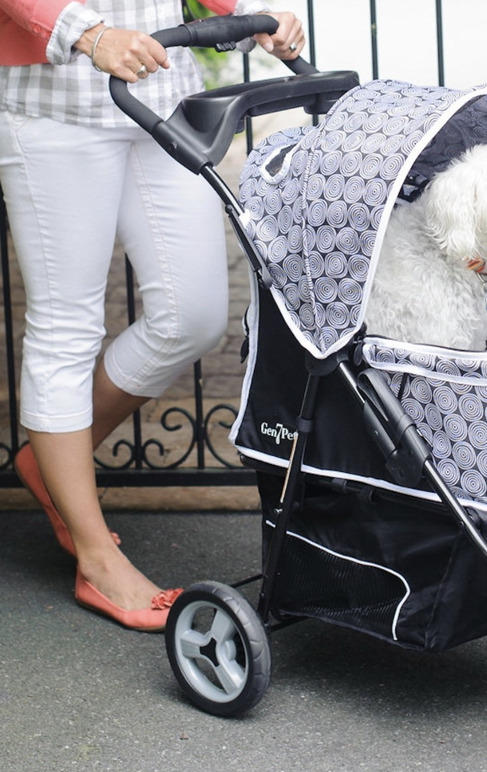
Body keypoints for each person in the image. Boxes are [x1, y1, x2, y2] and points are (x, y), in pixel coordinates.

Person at [0, 1, 305, 631]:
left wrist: (249, 14)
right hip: (54, 104)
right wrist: (89, 33)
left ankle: (54, 460)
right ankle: (95, 562)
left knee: (193, 315)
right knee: (66, 328)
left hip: (160, 95)